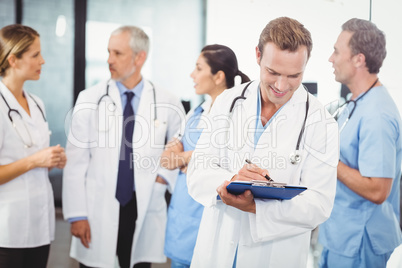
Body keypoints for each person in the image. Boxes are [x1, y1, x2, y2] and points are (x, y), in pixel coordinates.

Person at [186, 17, 339, 267]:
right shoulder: (228, 101)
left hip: (275, 255)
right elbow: (197, 172)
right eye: (273, 72)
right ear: (258, 55)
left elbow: (319, 205)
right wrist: (231, 183)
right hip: (218, 250)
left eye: (293, 75)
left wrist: (256, 206)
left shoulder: (321, 123)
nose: (281, 85)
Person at [62, 26, 184, 268]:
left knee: (138, 263)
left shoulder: (167, 101)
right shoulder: (89, 98)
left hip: (145, 202)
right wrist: (77, 215)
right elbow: (76, 160)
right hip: (98, 205)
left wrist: (162, 179)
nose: (109, 60)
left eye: (117, 53)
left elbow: (179, 146)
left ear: (140, 58)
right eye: (108, 52)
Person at [319, 18, 402, 268]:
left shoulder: (377, 114)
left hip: (358, 241)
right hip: (340, 235)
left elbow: (378, 190)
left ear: (359, 59)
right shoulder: (357, 103)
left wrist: (327, 160)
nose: (330, 59)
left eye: (336, 51)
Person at [161, 44, 250, 268]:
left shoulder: (238, 115)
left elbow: (234, 166)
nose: (192, 74)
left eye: (199, 68)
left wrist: (189, 156)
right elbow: (167, 158)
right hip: (184, 217)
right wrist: (196, 158)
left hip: (214, 215)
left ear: (218, 76)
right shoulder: (196, 112)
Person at [0, 24, 67, 268]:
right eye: (36, 55)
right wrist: (35, 161)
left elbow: (34, 159)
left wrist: (51, 161)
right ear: (13, 60)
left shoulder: (37, 103)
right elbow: (30, 160)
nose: (43, 61)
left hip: (40, 223)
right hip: (6, 230)